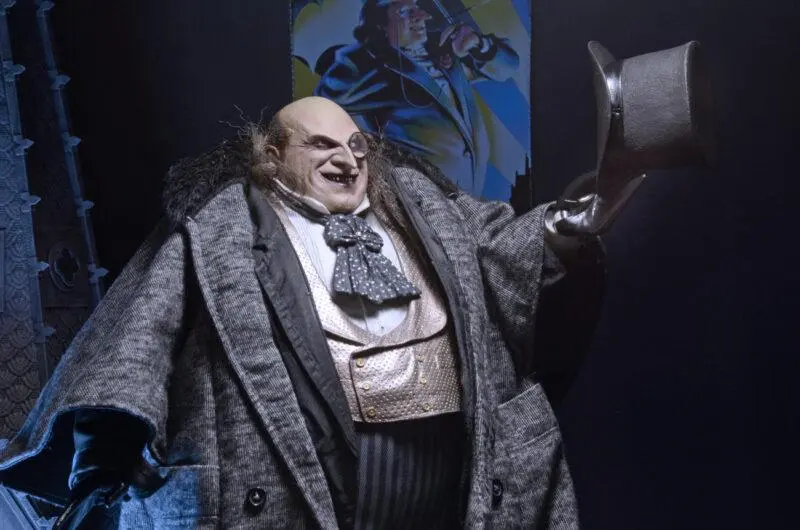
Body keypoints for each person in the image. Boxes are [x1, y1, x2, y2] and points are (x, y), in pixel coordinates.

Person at [0, 96, 605, 529]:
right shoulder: (218, 230)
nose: (348, 159)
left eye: (357, 146)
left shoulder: (424, 207)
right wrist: (103, 454)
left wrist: (571, 220)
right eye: (322, 144)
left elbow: (506, 250)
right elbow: (139, 339)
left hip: (443, 491)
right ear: (271, 153)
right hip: (304, 486)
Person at [315, 0, 520, 196]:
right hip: (418, 198)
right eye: (405, 12)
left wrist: (480, 44)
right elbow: (327, 97)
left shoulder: (443, 49)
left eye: (417, 8)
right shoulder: (371, 68)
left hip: (470, 192)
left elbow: (507, 68)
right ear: (380, 25)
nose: (423, 16)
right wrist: (380, 49)